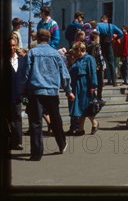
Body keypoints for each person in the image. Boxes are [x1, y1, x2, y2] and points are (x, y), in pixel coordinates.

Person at [20, 28, 74, 161]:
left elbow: (25, 74)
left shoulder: (32, 52)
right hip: (52, 91)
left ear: (37, 38)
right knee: (55, 119)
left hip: (36, 90)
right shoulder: (56, 54)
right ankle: (61, 143)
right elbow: (64, 75)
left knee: (36, 121)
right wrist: (68, 91)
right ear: (49, 39)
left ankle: (36, 153)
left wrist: (23, 90)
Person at [68, 41, 99, 135]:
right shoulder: (78, 59)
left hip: (84, 85)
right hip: (76, 86)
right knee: (80, 107)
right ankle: (81, 128)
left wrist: (93, 85)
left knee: (84, 106)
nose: (74, 52)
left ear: (79, 50)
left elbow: (92, 72)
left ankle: (93, 123)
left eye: (75, 50)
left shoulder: (89, 58)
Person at [8, 35, 26, 150]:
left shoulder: (22, 61)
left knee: (17, 119)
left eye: (13, 46)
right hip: (5, 95)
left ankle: (18, 142)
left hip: (17, 96)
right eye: (9, 46)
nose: (11, 48)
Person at [96, 15, 123, 86]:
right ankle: (114, 81)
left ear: (102, 19)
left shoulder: (98, 25)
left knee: (101, 62)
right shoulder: (111, 26)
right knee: (111, 63)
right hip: (109, 45)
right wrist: (115, 38)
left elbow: (96, 33)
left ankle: (101, 82)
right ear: (107, 20)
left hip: (101, 45)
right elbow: (121, 33)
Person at [87, 31, 106, 103]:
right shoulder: (97, 46)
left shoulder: (88, 45)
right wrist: (103, 65)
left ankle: (93, 96)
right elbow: (99, 56)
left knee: (92, 81)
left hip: (90, 66)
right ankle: (99, 97)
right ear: (95, 38)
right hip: (98, 66)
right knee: (100, 83)